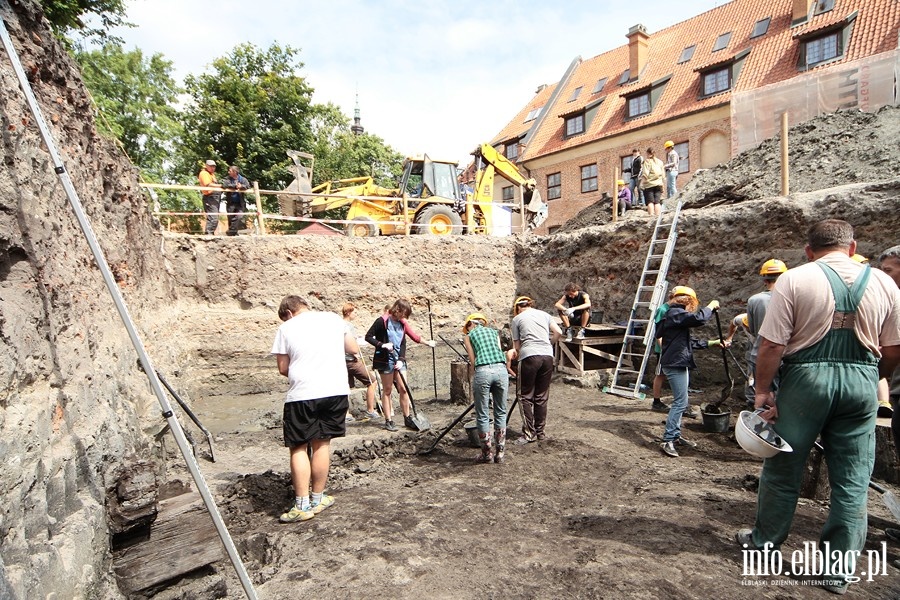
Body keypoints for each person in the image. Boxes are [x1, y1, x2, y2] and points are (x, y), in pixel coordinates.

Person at [736, 219, 900, 595]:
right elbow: (893, 349)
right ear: (853, 247)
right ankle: (837, 572)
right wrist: (872, 377)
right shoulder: (884, 282)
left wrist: (763, 392)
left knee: (783, 466)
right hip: (862, 384)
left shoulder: (795, 278)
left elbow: (772, 345)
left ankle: (764, 543)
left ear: (809, 251)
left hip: (806, 383)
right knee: (853, 478)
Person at [271, 295, 357, 523]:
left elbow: (282, 368)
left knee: (299, 447)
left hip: (303, 394)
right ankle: (318, 498)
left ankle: (302, 505)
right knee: (322, 443)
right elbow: (353, 348)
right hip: (335, 391)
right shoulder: (332, 318)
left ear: (288, 312)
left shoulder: (286, 327)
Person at [656, 286, 722, 457]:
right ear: (687, 301)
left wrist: (712, 343)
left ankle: (676, 436)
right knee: (679, 402)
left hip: (678, 361)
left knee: (681, 401)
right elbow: (700, 319)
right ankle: (668, 439)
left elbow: (688, 342)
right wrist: (711, 306)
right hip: (675, 363)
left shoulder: (675, 318)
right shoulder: (674, 314)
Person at [365, 298, 436, 431]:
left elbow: (403, 343)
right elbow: (368, 337)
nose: (404, 317)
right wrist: (382, 345)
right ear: (397, 310)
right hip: (385, 360)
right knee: (387, 390)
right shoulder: (382, 321)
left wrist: (401, 359)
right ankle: (389, 420)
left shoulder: (402, 323)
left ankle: (407, 417)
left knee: (404, 389)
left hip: (398, 360)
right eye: (403, 314)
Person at [510, 296, 562, 443]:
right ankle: (540, 432)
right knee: (541, 396)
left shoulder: (517, 319)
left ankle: (528, 433)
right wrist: (548, 344)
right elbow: (558, 332)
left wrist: (514, 358)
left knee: (524, 396)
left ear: (518, 308)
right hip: (547, 356)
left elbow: (517, 346)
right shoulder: (545, 315)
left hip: (529, 356)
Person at [462, 313, 509, 463]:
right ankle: (500, 453)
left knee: (482, 414)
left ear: (471, 324)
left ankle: (487, 454)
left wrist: (473, 377)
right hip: (501, 370)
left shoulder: (469, 336)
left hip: (483, 371)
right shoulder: (494, 332)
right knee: (500, 412)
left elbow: (472, 359)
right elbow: (499, 351)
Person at [742, 259, 788, 408]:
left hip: (760, 355)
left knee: (762, 396)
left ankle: (758, 426)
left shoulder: (754, 300)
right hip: (786, 355)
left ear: (764, 278)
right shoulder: (790, 298)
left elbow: (754, 330)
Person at [342, 303, 378, 422]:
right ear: (348, 313)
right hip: (351, 360)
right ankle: (370, 410)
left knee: (345, 387)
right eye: (354, 312)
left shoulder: (338, 325)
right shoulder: (348, 326)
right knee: (372, 381)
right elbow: (352, 344)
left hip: (341, 361)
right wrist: (356, 350)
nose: (355, 314)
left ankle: (346, 414)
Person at [221, 165, 251, 236]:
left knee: (239, 216)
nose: (228, 172)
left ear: (235, 172)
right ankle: (233, 233)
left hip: (240, 203)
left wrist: (241, 186)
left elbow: (247, 186)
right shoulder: (227, 178)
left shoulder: (243, 179)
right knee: (230, 218)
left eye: (230, 171)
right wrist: (235, 186)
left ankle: (231, 231)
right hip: (231, 202)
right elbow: (224, 185)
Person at [197, 159, 221, 235]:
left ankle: (210, 233)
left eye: (214, 167)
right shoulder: (204, 173)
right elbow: (208, 184)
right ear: (206, 166)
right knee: (213, 217)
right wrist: (221, 186)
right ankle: (208, 234)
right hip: (209, 197)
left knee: (215, 217)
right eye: (211, 166)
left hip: (215, 197)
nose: (213, 168)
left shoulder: (212, 174)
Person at [640, 147, 665, 217]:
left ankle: (651, 216)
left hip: (649, 185)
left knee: (650, 202)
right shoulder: (660, 162)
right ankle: (657, 216)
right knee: (657, 202)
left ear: (648, 153)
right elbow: (663, 175)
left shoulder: (647, 161)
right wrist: (662, 185)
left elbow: (645, 174)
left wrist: (641, 184)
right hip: (659, 184)